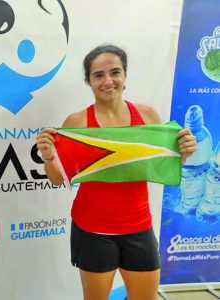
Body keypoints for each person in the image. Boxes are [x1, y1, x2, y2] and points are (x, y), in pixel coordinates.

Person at [36, 44, 197, 300]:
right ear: (88, 81)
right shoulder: (76, 123)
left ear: (125, 75)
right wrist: (48, 157)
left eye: (115, 72)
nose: (108, 81)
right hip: (92, 229)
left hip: (138, 226)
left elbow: (156, 167)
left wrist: (183, 154)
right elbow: (58, 178)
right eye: (98, 75)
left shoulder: (147, 115)